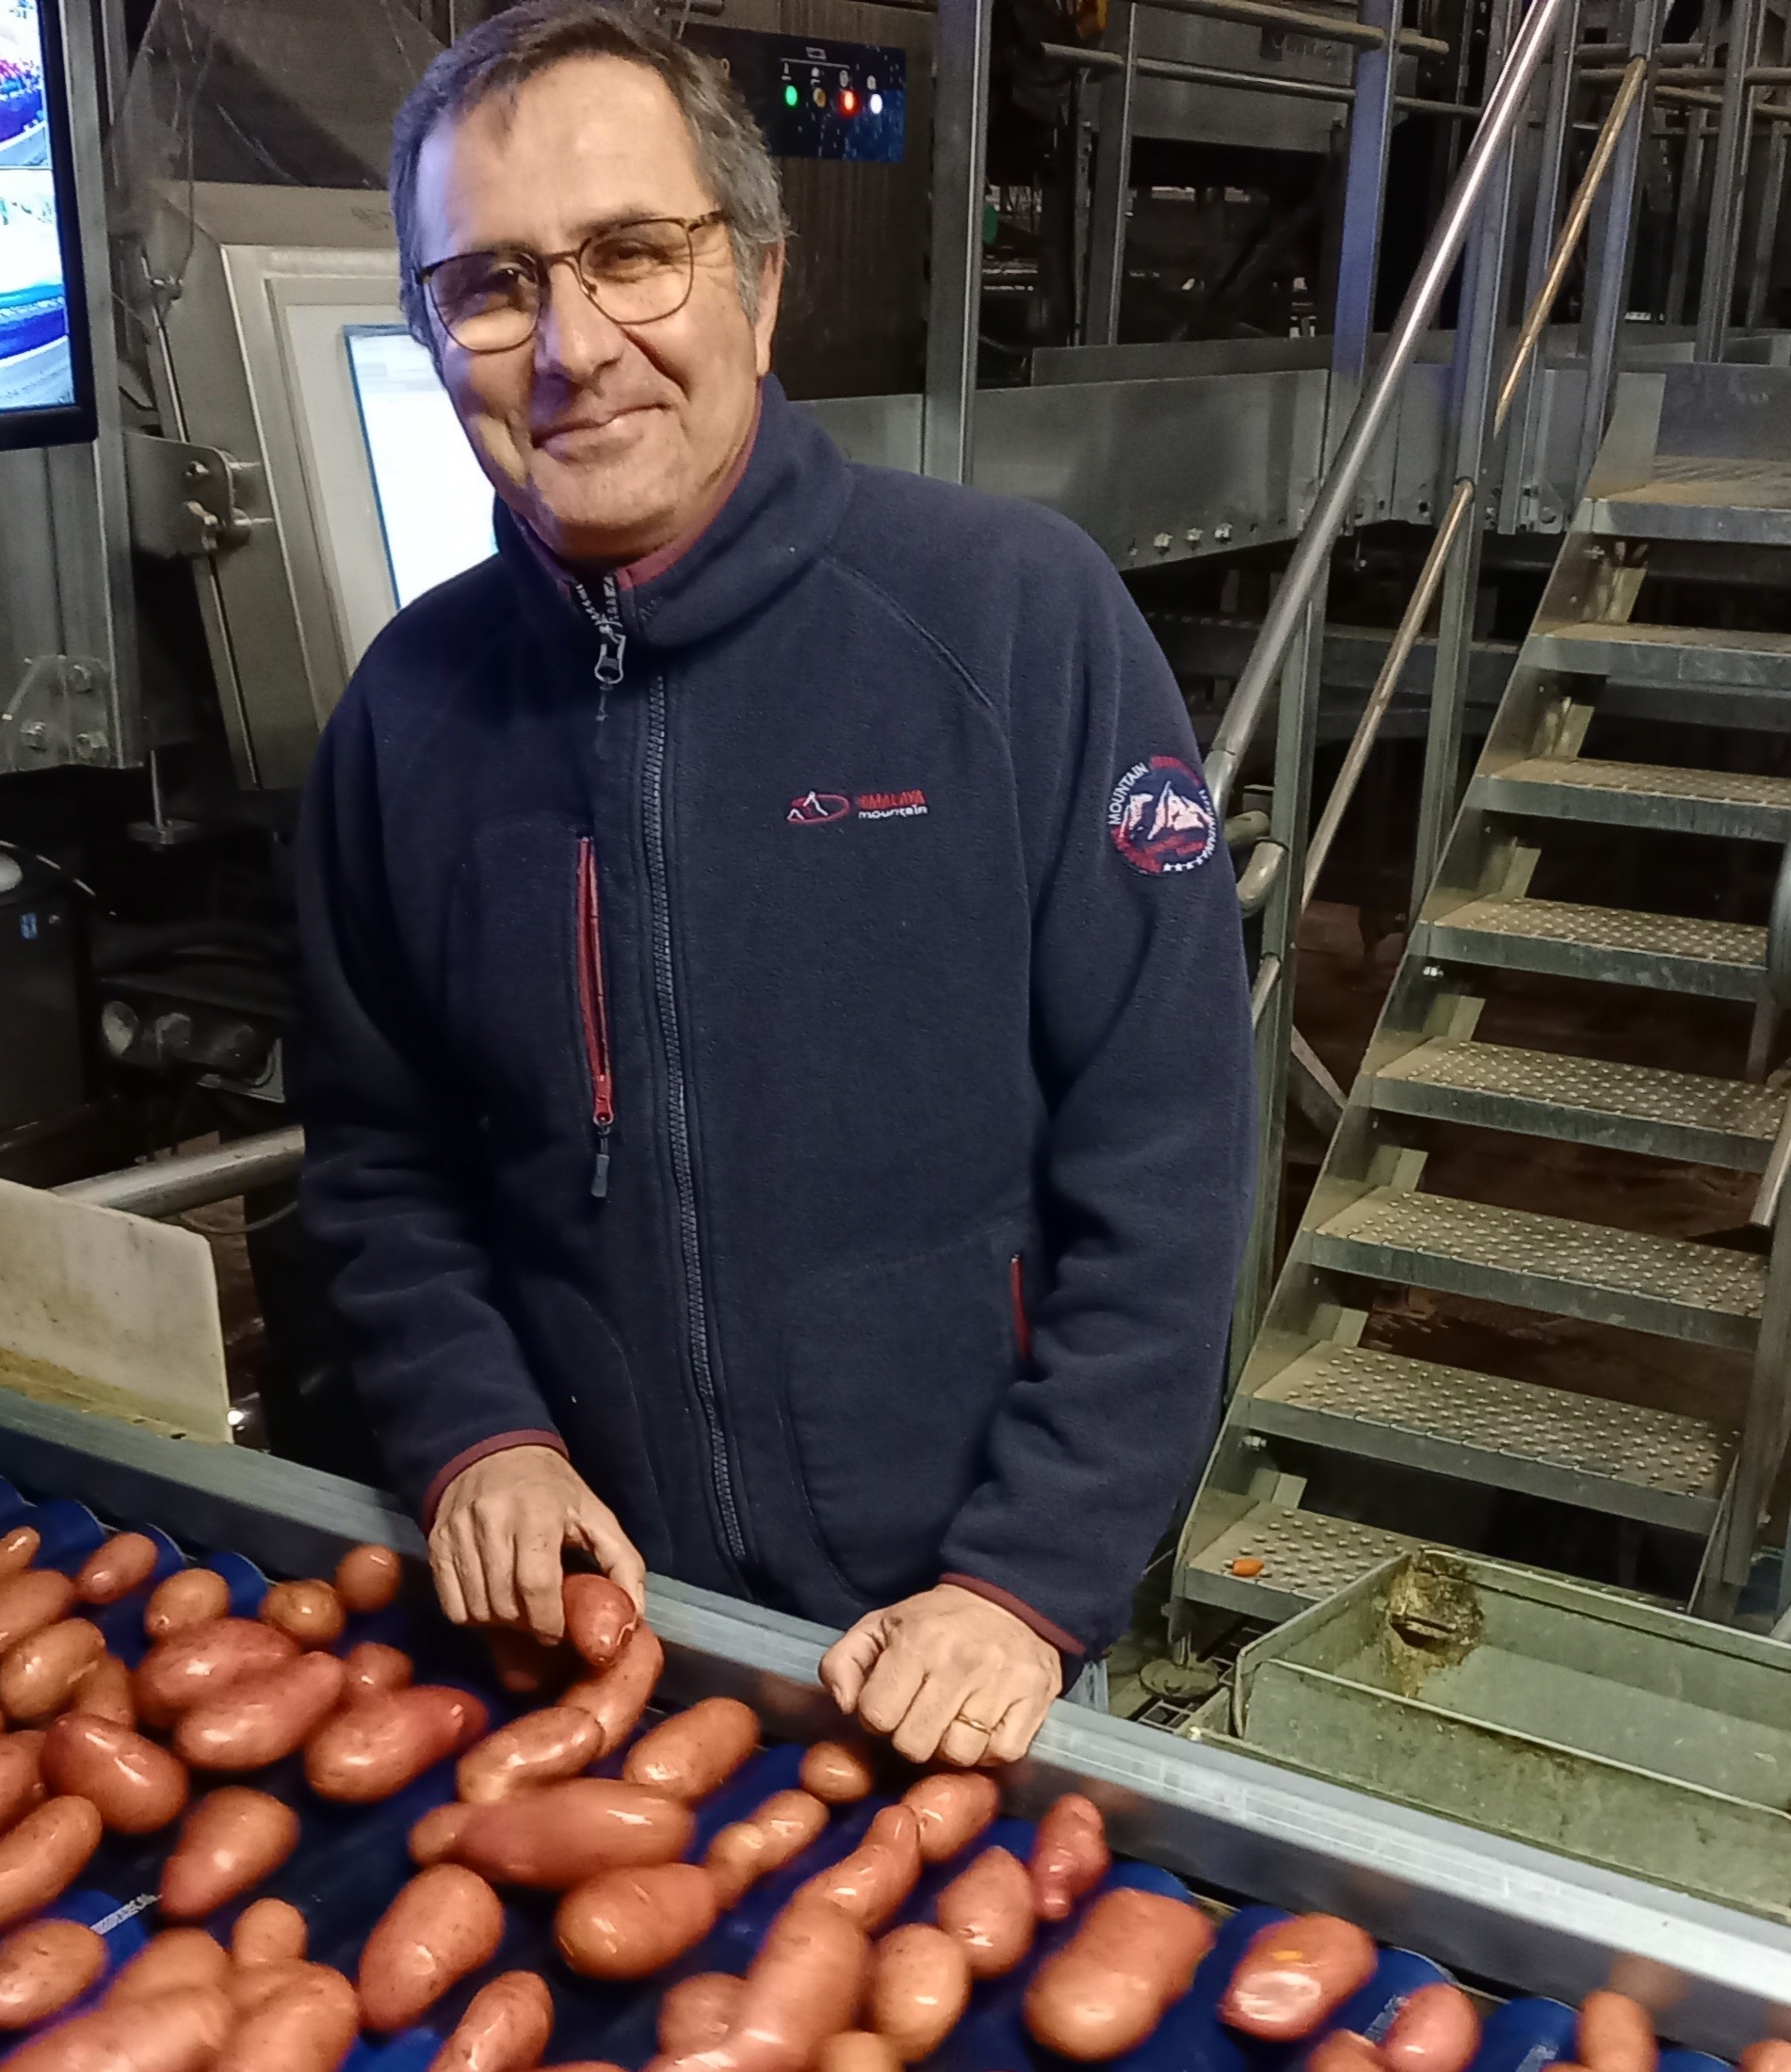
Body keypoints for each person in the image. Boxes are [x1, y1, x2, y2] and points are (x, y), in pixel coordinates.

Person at [294, 0, 1252, 1766]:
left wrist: (1029, 1577)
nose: (572, 347)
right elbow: (377, 1160)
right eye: (491, 286)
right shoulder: (404, 715)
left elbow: (1169, 1154)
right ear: (433, 333)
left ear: (761, 279)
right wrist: (477, 1434)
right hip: (588, 1634)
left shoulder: (1014, 623)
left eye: (633, 255)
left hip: (964, 1644)